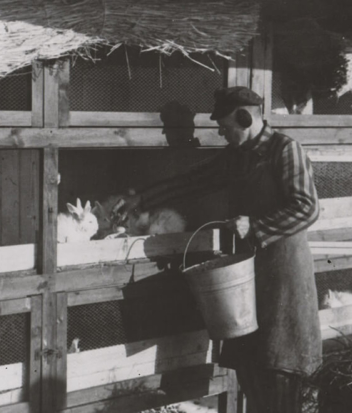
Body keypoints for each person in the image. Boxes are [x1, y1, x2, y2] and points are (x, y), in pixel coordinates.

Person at [117, 86, 322, 412]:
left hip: (283, 280)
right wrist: (141, 199)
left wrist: (255, 225)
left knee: (279, 368)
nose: (221, 133)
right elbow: (193, 182)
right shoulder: (236, 157)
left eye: (225, 127)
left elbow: (308, 208)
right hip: (248, 279)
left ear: (245, 118)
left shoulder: (285, 150)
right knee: (252, 368)